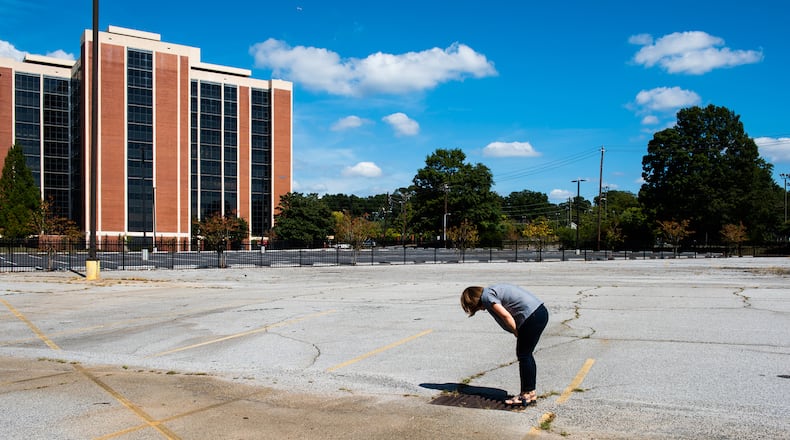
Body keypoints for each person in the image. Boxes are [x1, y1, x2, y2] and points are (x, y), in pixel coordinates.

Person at [460, 283, 549, 407]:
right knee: (526, 354)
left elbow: (505, 316)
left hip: (532, 316)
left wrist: (516, 332)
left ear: (474, 301)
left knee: (524, 355)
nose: (481, 309)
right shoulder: (491, 291)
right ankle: (530, 392)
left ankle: (526, 395)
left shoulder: (487, 298)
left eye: (476, 307)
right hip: (539, 312)